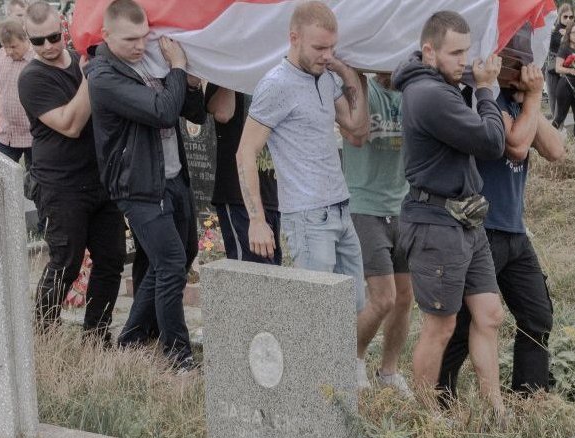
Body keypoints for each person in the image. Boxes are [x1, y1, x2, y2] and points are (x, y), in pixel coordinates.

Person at [437, 34, 565, 405]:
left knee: (537, 313)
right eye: (519, 63)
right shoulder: (483, 98)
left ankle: (530, 393)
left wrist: (531, 101)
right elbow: (517, 144)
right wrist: (535, 99)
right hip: (481, 231)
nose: (527, 71)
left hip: (514, 230)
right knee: (464, 323)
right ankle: (440, 396)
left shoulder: (519, 101)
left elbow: (556, 149)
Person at [392, 11, 508, 416]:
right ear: (429, 51)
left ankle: (495, 411)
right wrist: (487, 89)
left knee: (490, 315)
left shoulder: (440, 85)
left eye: (467, 51)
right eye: (455, 52)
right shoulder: (429, 94)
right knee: (440, 326)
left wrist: (474, 85)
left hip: (464, 220)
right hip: (436, 223)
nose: (464, 60)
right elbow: (492, 141)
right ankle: (426, 418)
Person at [86, 0, 206, 368]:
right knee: (170, 265)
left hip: (173, 177)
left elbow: (193, 112)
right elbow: (162, 111)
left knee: (178, 258)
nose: (139, 46)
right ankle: (177, 356)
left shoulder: (150, 62)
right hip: (137, 186)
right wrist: (178, 66)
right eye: (129, 40)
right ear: (107, 35)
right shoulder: (104, 75)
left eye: (143, 37)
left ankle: (134, 338)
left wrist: (189, 82)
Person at [236, 1, 369, 305]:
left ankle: (344, 356)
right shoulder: (276, 85)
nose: (327, 55)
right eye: (319, 47)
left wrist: (347, 75)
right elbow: (245, 152)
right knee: (317, 312)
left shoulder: (326, 77)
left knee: (351, 307)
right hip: (308, 217)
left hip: (340, 207)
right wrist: (257, 220)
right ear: (294, 38)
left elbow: (356, 129)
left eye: (332, 47)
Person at [19, 0, 125, 342]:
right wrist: (92, 74)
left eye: (53, 36)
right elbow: (70, 123)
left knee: (111, 260)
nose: (48, 46)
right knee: (66, 262)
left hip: (100, 177)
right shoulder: (32, 77)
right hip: (60, 185)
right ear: (28, 39)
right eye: (37, 41)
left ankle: (97, 336)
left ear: (63, 26)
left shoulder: (81, 60)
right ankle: (44, 336)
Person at [341, 72, 414, 395]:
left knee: (405, 298)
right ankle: (351, 360)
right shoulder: (362, 86)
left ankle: (389, 371)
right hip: (365, 205)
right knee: (383, 298)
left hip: (402, 205)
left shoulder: (413, 92)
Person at [205, 84, 281, 264]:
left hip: (270, 195)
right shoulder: (223, 76)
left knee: (272, 276)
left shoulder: (275, 77)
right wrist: (234, 65)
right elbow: (223, 113)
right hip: (238, 195)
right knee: (250, 275)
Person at [0, 19, 34, 166]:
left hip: (32, 134)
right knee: (1, 174)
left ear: (25, 39)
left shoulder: (36, 60)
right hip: (6, 132)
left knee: (36, 180)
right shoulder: (1, 55)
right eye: (5, 46)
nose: (9, 51)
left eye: (14, 46)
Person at [552, 21, 575, 136]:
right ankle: (549, 137)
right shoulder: (564, 48)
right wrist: (571, 71)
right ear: (569, 34)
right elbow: (558, 68)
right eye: (573, 32)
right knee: (560, 117)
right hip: (565, 85)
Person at [0, 0, 27, 77]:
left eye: (26, 16)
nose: (23, 19)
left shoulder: (29, 33)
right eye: (19, 15)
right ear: (9, 14)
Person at [546, 4, 573, 119]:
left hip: (565, 70)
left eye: (571, 17)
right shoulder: (553, 30)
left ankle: (558, 126)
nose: (568, 20)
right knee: (553, 99)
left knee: (562, 100)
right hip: (552, 69)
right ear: (560, 16)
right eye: (565, 17)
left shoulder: (574, 32)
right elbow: (551, 46)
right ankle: (556, 128)